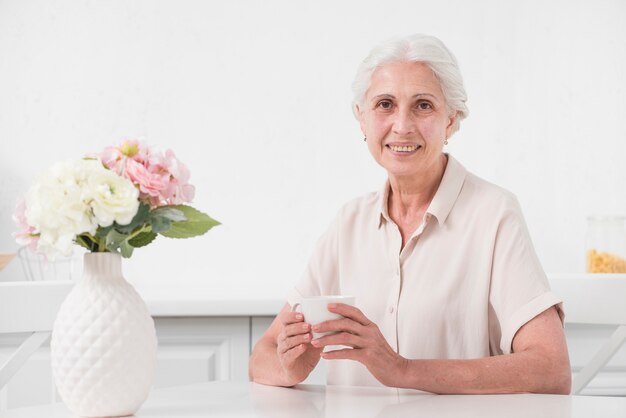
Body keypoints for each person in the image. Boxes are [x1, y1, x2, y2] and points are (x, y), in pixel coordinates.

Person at [248, 34, 571, 394]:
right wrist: (292, 364)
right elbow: (262, 355)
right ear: (362, 119)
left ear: (451, 120)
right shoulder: (348, 223)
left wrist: (403, 370)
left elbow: (551, 368)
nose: (402, 125)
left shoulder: (494, 214)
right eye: (385, 104)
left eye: (423, 105)